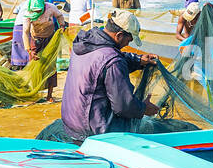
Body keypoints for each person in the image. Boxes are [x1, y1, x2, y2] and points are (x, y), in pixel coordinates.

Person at [59, 10, 160, 142]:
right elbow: (123, 106)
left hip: (71, 123)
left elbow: (105, 62)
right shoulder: (112, 61)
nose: (128, 44)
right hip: (91, 132)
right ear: (119, 35)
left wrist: (137, 60)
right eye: (128, 40)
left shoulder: (85, 43)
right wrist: (143, 108)